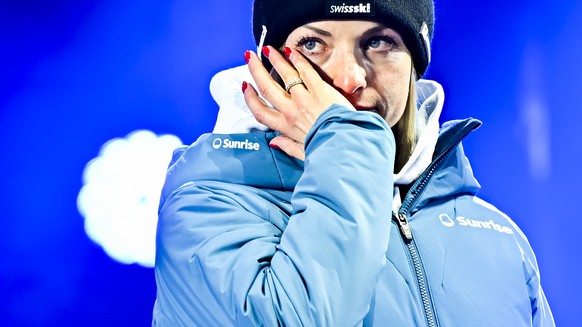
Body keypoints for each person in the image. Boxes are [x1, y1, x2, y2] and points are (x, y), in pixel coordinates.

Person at [152, 0, 555, 326]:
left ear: (414, 61)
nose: (348, 78)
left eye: (379, 42)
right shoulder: (206, 204)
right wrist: (343, 139)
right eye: (312, 44)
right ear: (269, 63)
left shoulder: (498, 237)